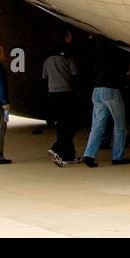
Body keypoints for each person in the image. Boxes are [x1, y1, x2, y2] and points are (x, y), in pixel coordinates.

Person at [82, 39, 130, 166]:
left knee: (97, 126)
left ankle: (89, 155)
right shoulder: (115, 52)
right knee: (119, 125)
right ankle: (118, 157)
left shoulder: (96, 53)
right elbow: (123, 70)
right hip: (111, 89)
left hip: (96, 90)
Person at [43, 36, 80, 166]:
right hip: (67, 93)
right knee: (72, 124)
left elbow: (44, 77)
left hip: (53, 94)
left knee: (61, 125)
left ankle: (68, 155)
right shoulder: (67, 57)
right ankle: (57, 148)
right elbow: (75, 73)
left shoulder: (47, 60)